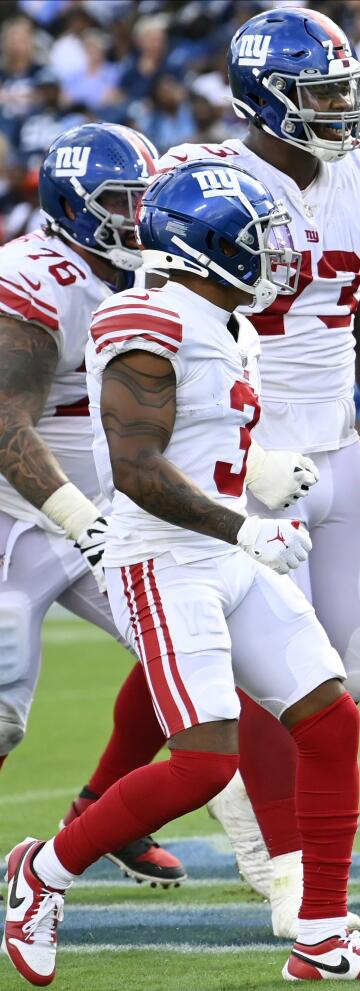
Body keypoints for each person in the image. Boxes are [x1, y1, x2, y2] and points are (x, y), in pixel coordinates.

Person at [2, 160, 360, 988]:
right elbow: (135, 469)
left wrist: (261, 469)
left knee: (331, 719)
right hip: (161, 562)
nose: (279, 255)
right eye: (260, 239)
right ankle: (42, 875)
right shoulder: (146, 321)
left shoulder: (227, 320)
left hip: (226, 553)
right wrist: (248, 524)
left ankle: (322, 935)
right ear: (206, 244)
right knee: (205, 763)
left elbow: (209, 435)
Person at [160, 7, 360, 937]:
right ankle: (283, 862)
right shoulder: (205, 183)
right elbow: (168, 330)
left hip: (337, 448)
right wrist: (237, 445)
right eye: (320, 92)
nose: (342, 107)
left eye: (344, 88)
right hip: (248, 453)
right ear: (267, 100)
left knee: (355, 674)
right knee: (287, 677)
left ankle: (181, 767)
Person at [0, 124, 189, 888]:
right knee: (2, 696)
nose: (138, 216)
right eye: (120, 201)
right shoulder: (36, 274)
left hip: (101, 514)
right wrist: (83, 518)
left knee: (188, 640)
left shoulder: (150, 280)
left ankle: (105, 812)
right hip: (18, 514)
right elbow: (6, 422)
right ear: (75, 204)